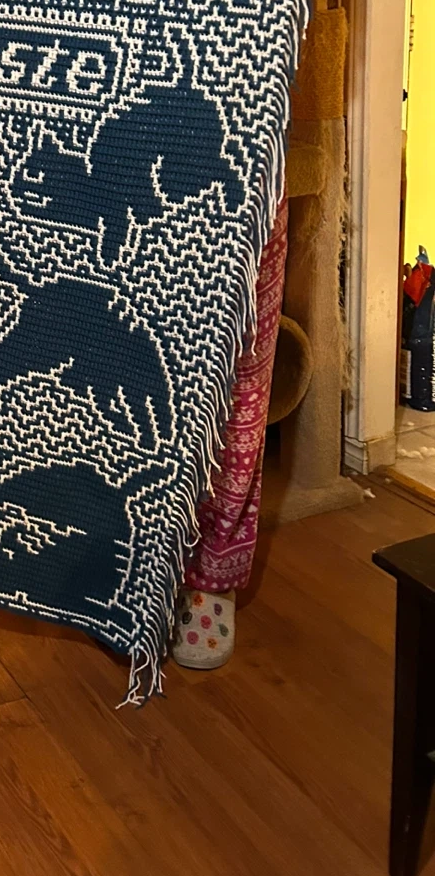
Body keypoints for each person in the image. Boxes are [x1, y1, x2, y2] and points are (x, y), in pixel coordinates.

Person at [172, 198, 289, 669]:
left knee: (241, 364)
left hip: (241, 171)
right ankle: (132, 558)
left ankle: (211, 568)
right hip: (126, 155)